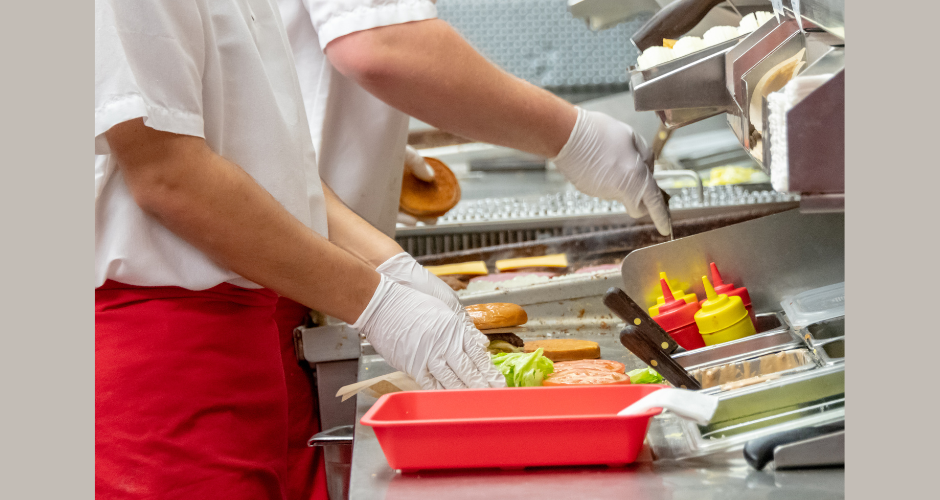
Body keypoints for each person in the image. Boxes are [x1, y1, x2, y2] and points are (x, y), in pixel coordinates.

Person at [94, 1, 504, 499]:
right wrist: (379, 303)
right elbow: (169, 175)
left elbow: (266, 172)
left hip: (244, 338)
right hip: (158, 364)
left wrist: (391, 265)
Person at [273, 1, 673, 497]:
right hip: (271, 287)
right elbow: (379, 46)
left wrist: (364, 153)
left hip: (301, 270)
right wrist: (572, 135)